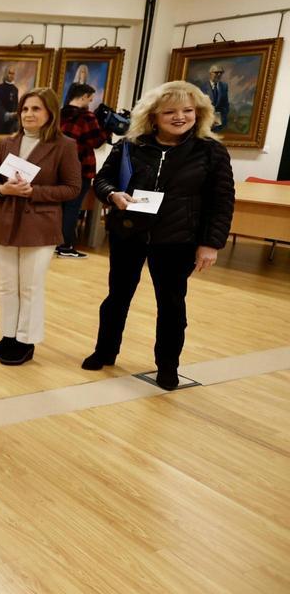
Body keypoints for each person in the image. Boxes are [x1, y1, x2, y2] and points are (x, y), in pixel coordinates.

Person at [81, 81, 234, 389]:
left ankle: (167, 365)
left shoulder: (211, 151)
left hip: (178, 240)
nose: (180, 117)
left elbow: (222, 201)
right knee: (117, 297)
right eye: (170, 111)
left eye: (188, 110)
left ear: (199, 113)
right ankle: (105, 350)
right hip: (129, 234)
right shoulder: (130, 145)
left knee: (172, 305)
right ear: (153, 115)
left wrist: (210, 244)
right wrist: (113, 195)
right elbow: (103, 180)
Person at [0, 87, 81, 365]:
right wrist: (3, 189)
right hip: (6, 220)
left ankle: (25, 341)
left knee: (30, 286)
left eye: (36, 109)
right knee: (7, 285)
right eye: (25, 109)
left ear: (50, 112)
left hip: (39, 224)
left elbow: (73, 188)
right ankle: (8, 335)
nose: (28, 114)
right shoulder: (7, 143)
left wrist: (33, 192)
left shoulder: (64, 145)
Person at [57, 82, 109, 258]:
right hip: (81, 168)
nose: (91, 102)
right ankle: (65, 246)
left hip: (58, 168)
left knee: (59, 206)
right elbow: (96, 141)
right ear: (84, 97)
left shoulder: (58, 114)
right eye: (90, 99)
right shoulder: (87, 117)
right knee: (73, 207)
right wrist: (107, 129)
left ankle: (54, 241)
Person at [206, 64, 229, 131]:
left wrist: (224, 116)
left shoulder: (224, 86)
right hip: (206, 118)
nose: (219, 74)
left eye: (221, 73)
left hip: (220, 119)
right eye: (216, 72)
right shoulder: (202, 87)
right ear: (210, 73)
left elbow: (226, 103)